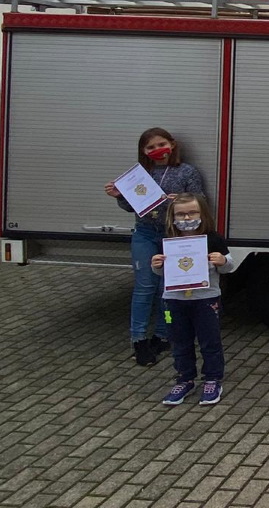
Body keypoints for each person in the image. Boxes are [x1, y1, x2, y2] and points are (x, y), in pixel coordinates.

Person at [103, 127, 205, 366]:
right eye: (150, 148)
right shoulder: (139, 176)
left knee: (166, 290)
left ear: (172, 144)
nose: (158, 151)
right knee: (144, 288)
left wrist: (180, 200)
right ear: (144, 152)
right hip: (145, 234)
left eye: (161, 145)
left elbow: (201, 200)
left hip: (174, 235)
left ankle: (162, 334)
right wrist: (119, 195)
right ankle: (138, 340)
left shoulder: (187, 171)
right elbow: (132, 207)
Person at [151, 193, 234, 406]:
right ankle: (185, 379)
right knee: (179, 342)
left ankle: (212, 379)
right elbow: (162, 274)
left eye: (192, 213)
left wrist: (222, 260)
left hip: (206, 299)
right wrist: (156, 265)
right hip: (174, 300)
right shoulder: (168, 240)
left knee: (210, 341)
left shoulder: (213, 238)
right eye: (181, 214)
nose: (187, 218)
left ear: (202, 213)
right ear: (172, 217)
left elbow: (229, 266)